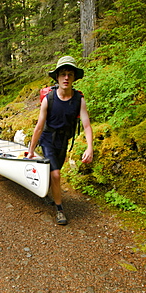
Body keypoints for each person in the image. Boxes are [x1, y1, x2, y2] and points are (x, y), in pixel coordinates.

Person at [27, 56, 93, 225]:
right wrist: (32, 149)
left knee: (54, 172)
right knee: (56, 174)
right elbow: (39, 127)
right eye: (63, 74)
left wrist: (89, 147)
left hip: (64, 141)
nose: (66, 78)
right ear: (57, 77)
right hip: (47, 139)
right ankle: (59, 209)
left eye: (70, 74)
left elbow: (86, 125)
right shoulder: (48, 99)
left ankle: (47, 191)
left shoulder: (79, 100)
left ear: (74, 78)